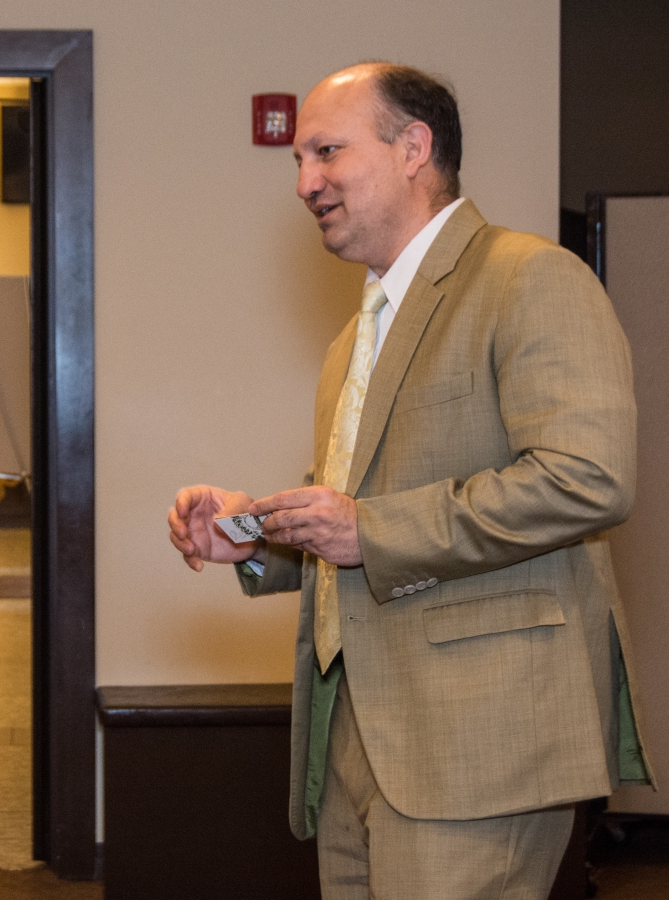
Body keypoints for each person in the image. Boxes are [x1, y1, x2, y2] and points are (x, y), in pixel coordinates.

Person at [168, 64, 655, 899]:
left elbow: (588, 478)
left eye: (325, 151)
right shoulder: (356, 338)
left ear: (413, 149)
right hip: (358, 743)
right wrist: (248, 535)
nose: (304, 182)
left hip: (478, 745)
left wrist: (369, 529)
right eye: (296, 160)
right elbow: (348, 527)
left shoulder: (529, 278)